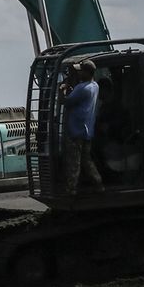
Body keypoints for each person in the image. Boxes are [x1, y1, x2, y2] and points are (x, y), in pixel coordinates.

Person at [60, 59, 104, 196]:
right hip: (87, 130)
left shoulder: (82, 88)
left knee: (74, 162)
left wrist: (61, 90)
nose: (78, 73)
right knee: (87, 160)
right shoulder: (94, 86)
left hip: (76, 130)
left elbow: (65, 102)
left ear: (87, 72)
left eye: (81, 70)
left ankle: (70, 190)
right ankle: (98, 184)